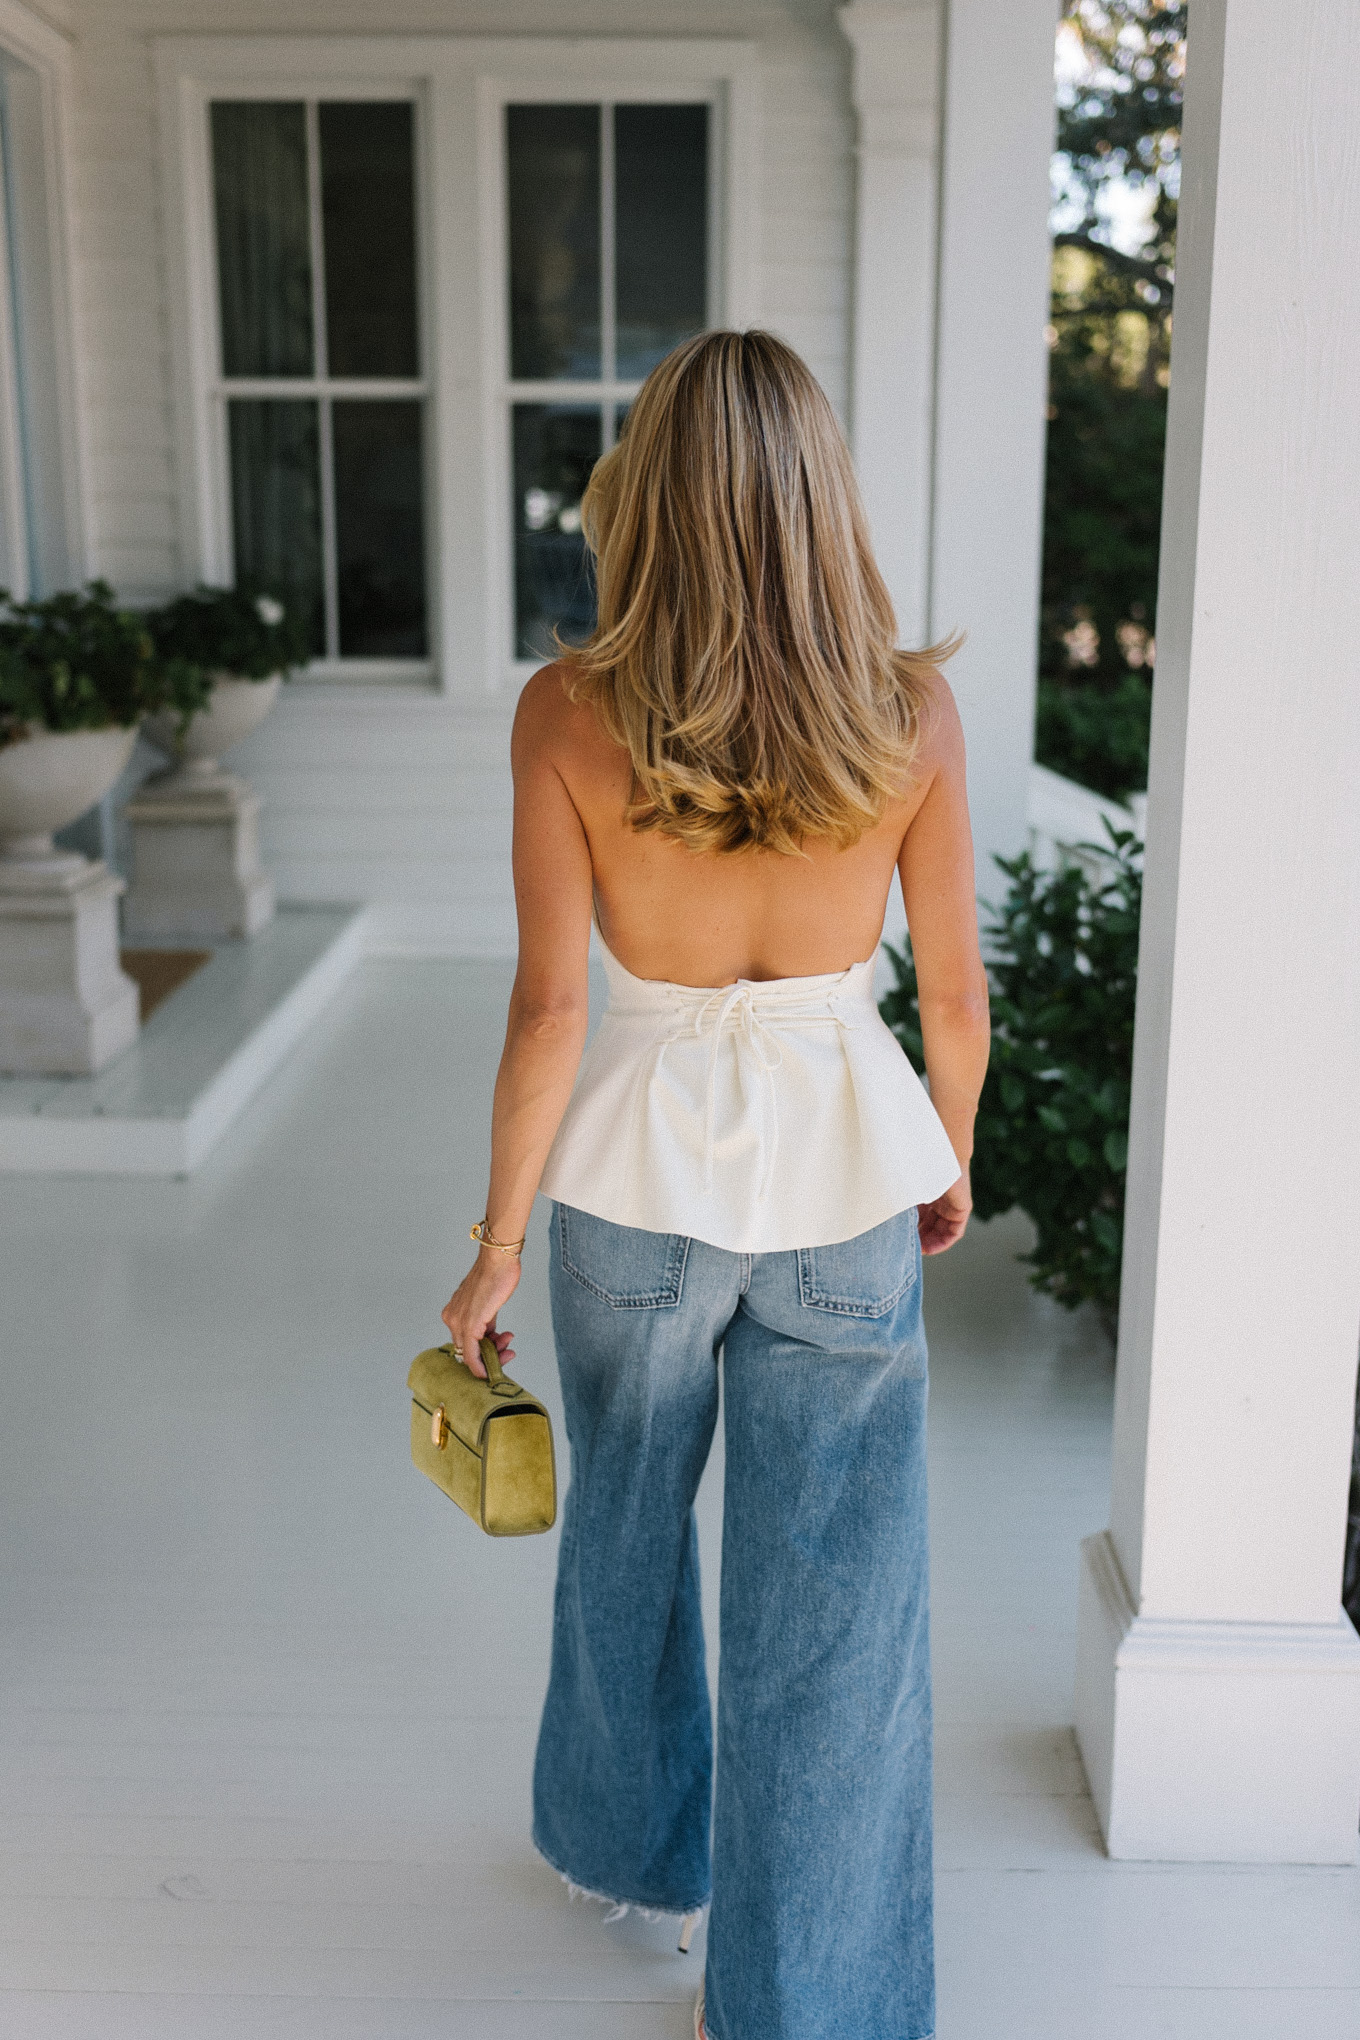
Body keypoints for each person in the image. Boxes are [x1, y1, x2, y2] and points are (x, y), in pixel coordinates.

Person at [442, 329, 990, 2040]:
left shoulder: (568, 714)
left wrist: (493, 1250)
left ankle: (628, 1845)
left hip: (633, 1207)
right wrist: (948, 1159)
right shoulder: (906, 711)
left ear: (643, 497)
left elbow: (548, 1010)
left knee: (620, 1527)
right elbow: (957, 1002)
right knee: (837, 1604)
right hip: (844, 1198)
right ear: (820, 496)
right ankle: (804, 2000)